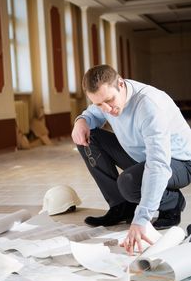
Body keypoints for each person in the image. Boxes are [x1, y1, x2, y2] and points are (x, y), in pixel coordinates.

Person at [71, 64, 191, 254]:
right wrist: (81, 121)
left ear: (120, 83)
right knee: (88, 136)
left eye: (110, 101)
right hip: (140, 156)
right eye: (99, 104)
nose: (107, 109)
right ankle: (122, 207)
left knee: (128, 183)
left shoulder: (149, 105)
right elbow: (93, 113)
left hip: (179, 162)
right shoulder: (106, 99)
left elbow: (158, 164)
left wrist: (142, 218)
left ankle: (172, 202)